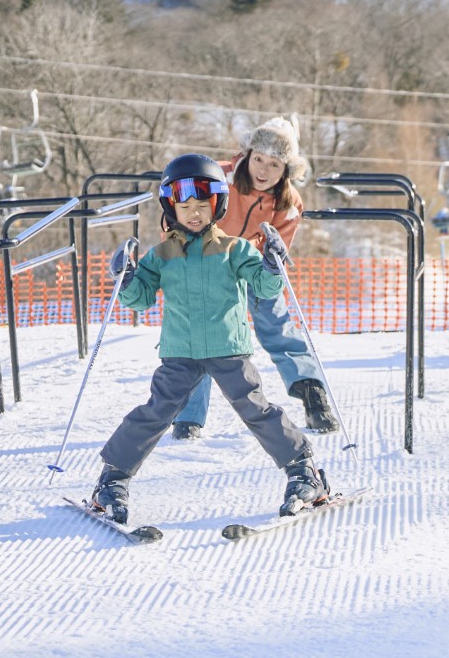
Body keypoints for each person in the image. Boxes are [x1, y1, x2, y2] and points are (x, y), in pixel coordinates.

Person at [87, 154, 329, 525]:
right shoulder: (162, 255)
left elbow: (264, 288)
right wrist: (127, 277)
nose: (194, 213)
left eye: (202, 205)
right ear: (172, 207)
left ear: (217, 206)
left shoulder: (235, 248)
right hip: (180, 354)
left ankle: (303, 472)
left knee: (256, 410)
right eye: (185, 206)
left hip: (227, 349)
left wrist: (271, 263)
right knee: (155, 413)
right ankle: (112, 478)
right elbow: (141, 299)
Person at [170, 117, 338, 439]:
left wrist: (269, 264)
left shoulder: (288, 204)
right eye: (258, 158)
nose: (263, 170)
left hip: (253, 267)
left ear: (286, 170)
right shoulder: (217, 177)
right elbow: (178, 205)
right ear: (247, 154)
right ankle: (188, 417)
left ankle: (313, 396)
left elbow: (277, 257)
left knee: (277, 325)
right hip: (207, 262)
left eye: (274, 164)